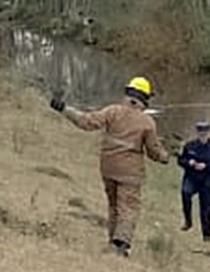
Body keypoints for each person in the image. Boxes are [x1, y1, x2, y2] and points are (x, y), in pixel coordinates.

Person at [50, 76, 169, 256]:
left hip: (108, 168)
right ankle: (121, 245)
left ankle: (112, 243)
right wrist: (165, 156)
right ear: (145, 98)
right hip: (130, 173)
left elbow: (86, 121)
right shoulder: (147, 122)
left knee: (113, 206)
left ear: (128, 93)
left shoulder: (112, 111)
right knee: (128, 208)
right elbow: (153, 151)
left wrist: (64, 108)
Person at [178, 120, 210, 242]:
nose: (203, 135)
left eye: (205, 133)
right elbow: (181, 160)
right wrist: (189, 163)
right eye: (200, 133)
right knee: (185, 193)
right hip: (192, 177)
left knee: (206, 208)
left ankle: (207, 235)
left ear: (209, 133)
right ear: (197, 133)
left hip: (207, 180)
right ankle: (188, 220)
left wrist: (206, 166)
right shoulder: (189, 146)